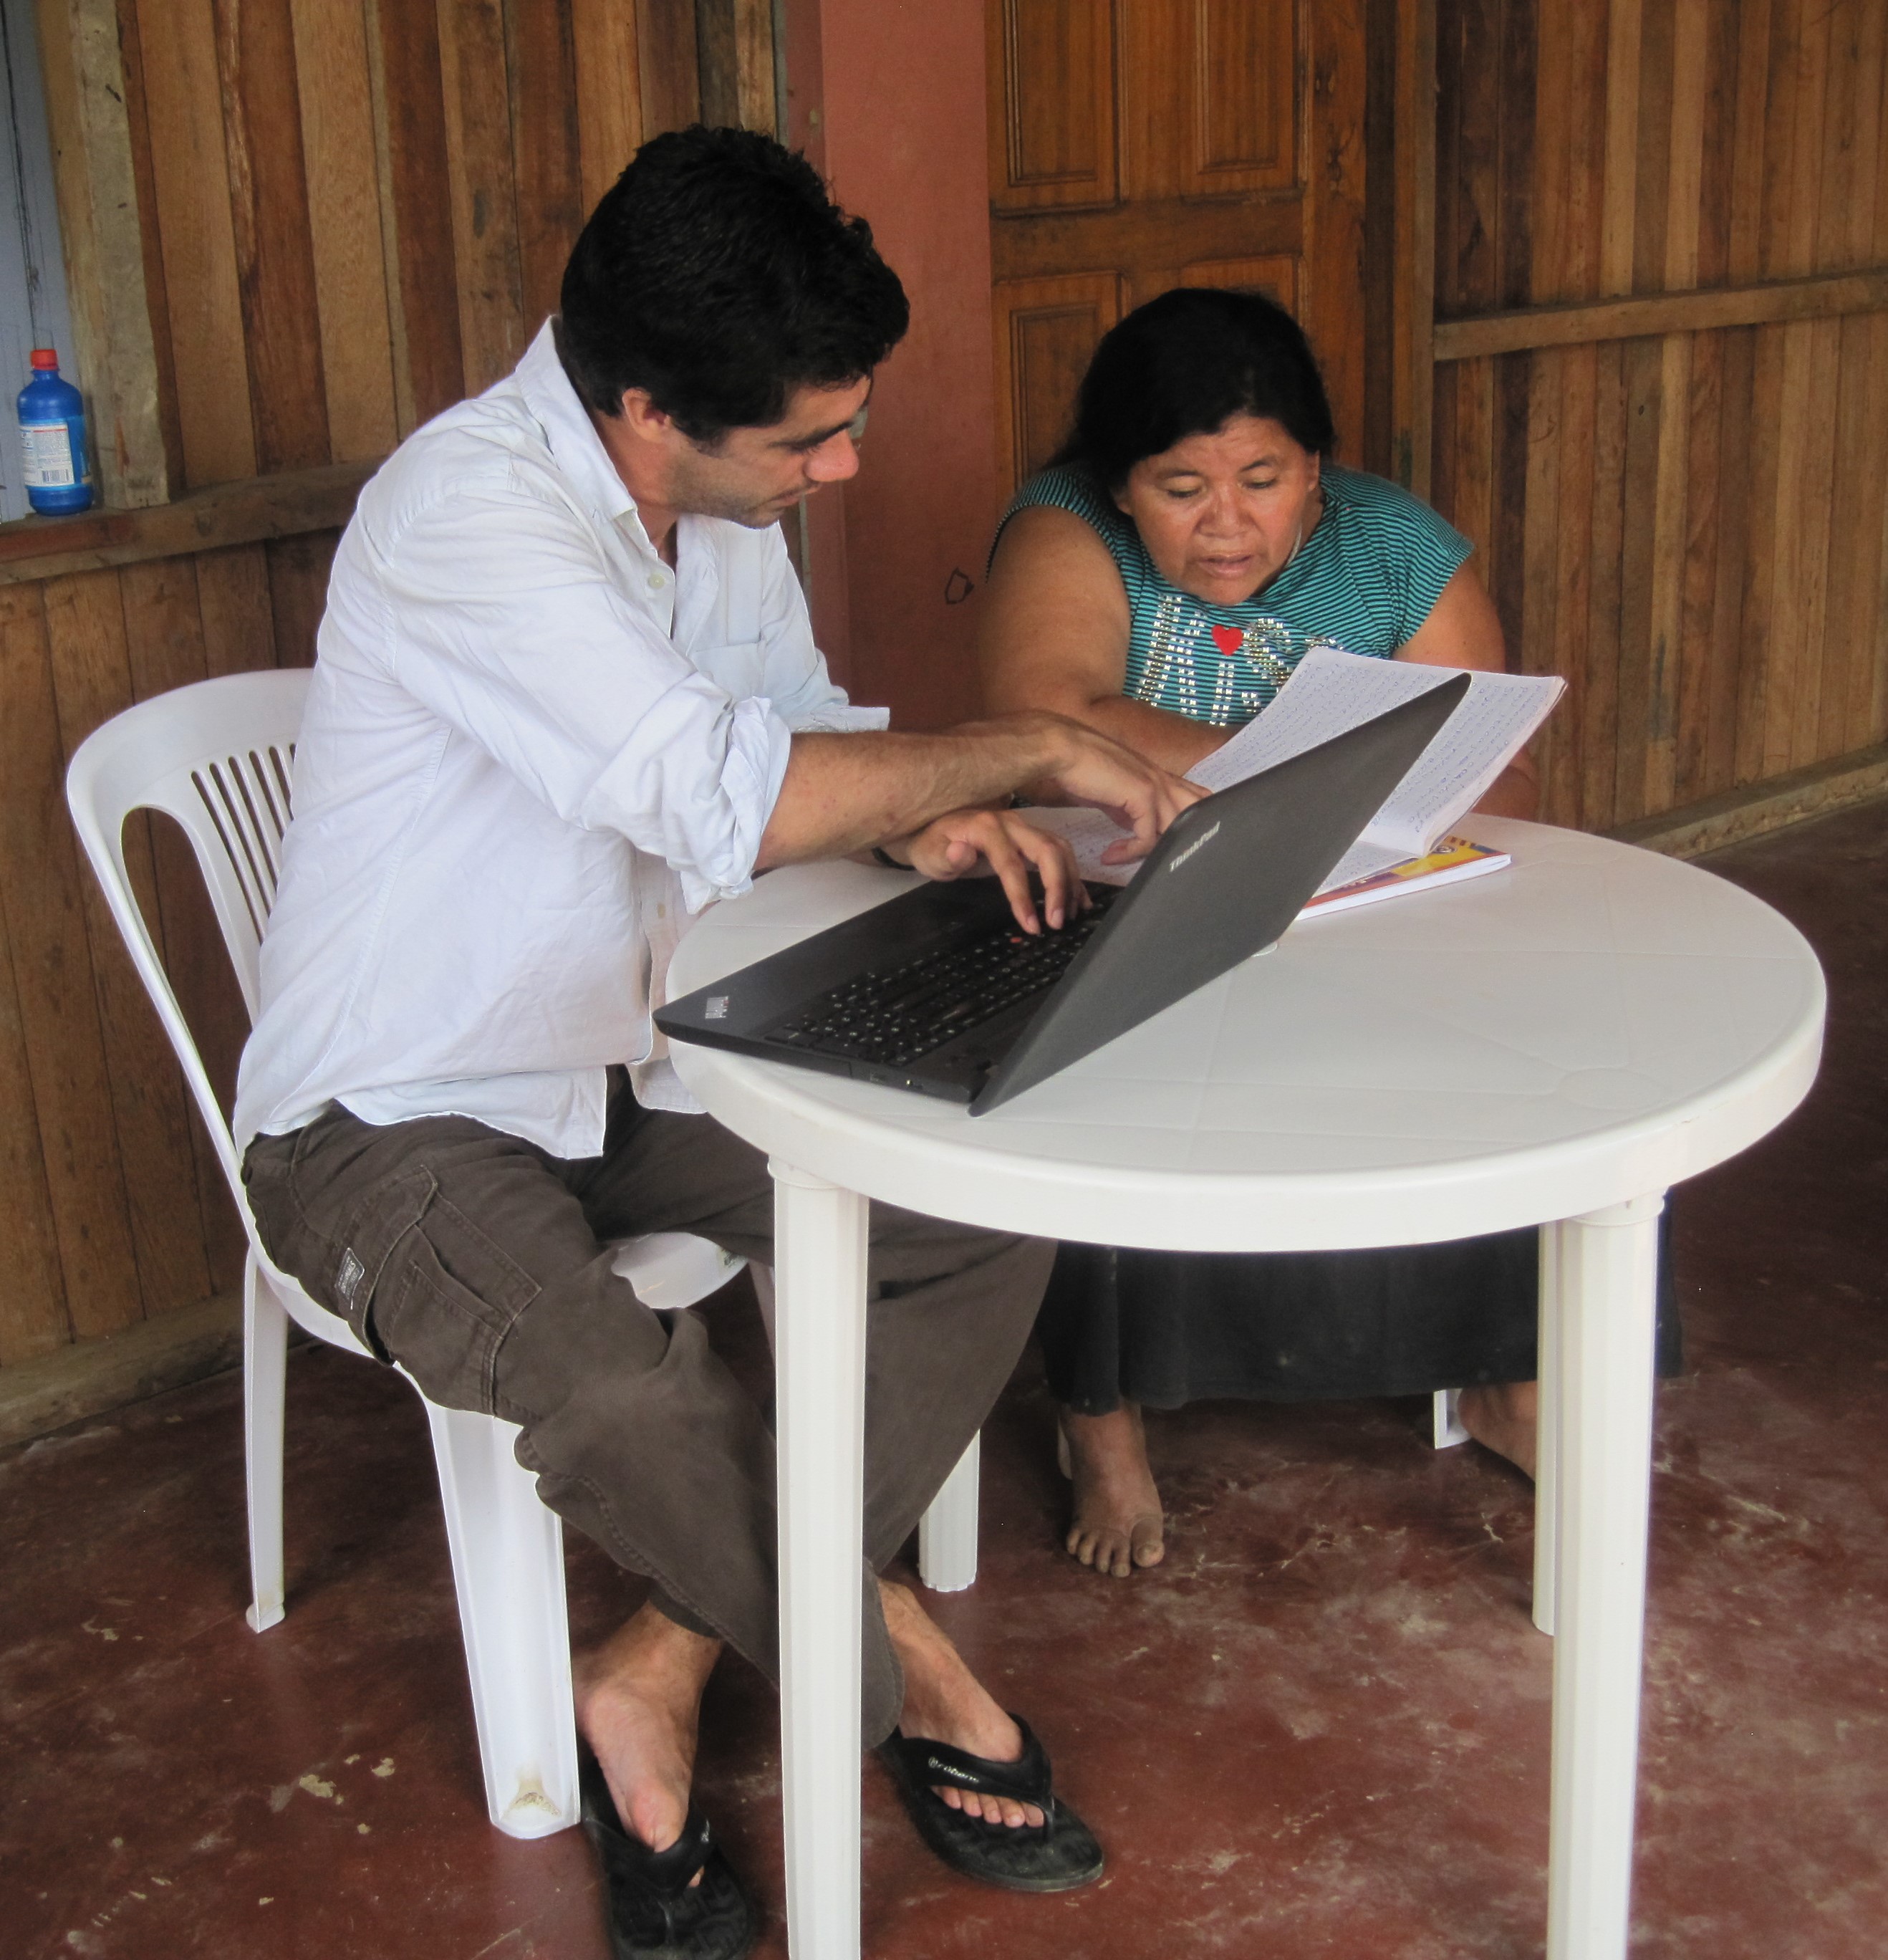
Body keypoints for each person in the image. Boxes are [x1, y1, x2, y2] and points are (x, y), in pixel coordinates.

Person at [235, 128, 1200, 1960]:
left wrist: (907, 817)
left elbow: (789, 734)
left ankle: (662, 1664)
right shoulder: (468, 512)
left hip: (659, 1055)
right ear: (645, 407)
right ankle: (899, 1656)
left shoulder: (714, 506)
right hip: (395, 1114)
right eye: (806, 441)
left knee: (974, 1196)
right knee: (613, 1386)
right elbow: (724, 790)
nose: (841, 467)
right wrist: (1016, 754)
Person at [981, 287, 1677, 1580]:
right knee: (1075, 1031)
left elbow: (1504, 783)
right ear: (1121, 485)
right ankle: (1100, 1409)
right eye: (1181, 486)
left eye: (1263, 478)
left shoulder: (1398, 550)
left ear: (1317, 470)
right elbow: (1042, 709)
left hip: (1356, 905)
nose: (1227, 522)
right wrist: (1315, 782)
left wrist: (1308, 816)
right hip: (1143, 898)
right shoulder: (1065, 525)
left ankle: (1503, 1374)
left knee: (1546, 1034)